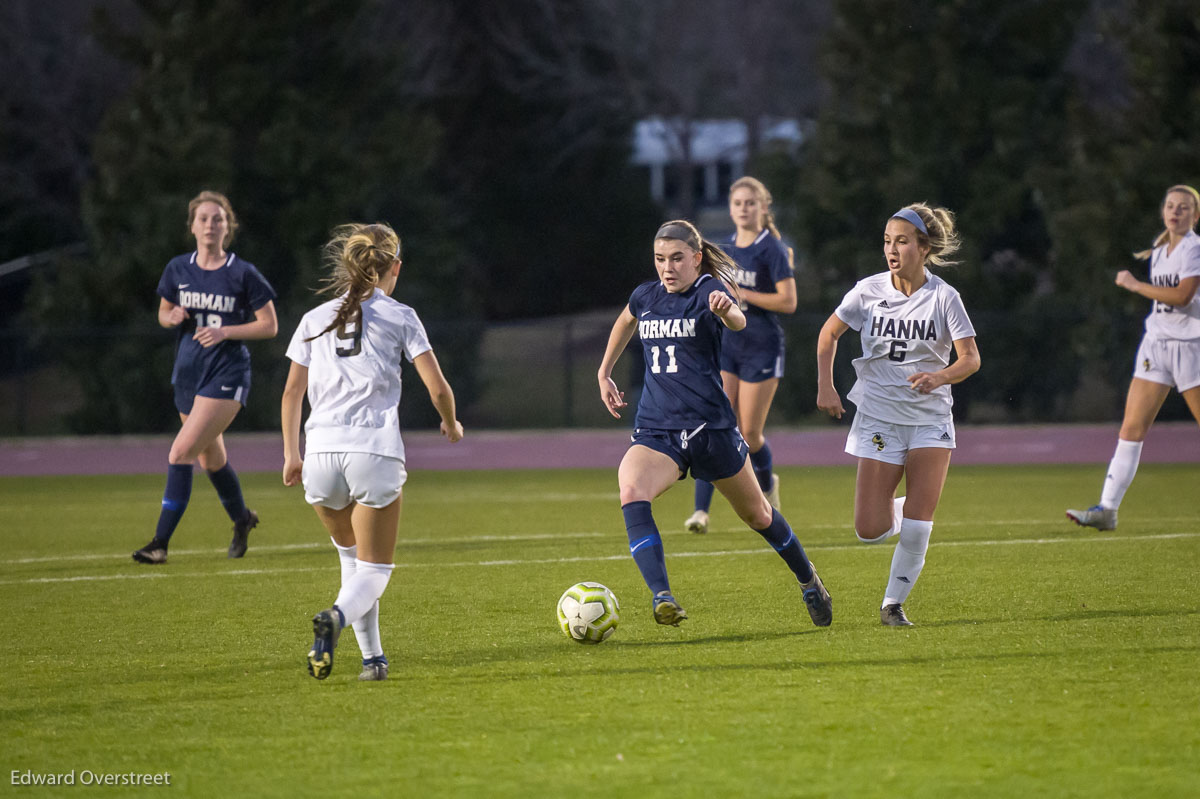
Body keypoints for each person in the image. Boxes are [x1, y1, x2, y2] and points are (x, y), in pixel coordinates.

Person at [598, 219, 832, 628]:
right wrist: (604, 371)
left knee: (759, 515)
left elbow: (736, 320)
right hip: (658, 430)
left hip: (712, 431)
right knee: (632, 489)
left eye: (676, 259)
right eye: (659, 259)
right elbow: (625, 321)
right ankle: (662, 596)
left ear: (696, 259)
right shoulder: (646, 296)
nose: (667, 268)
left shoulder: (708, 291)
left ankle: (808, 578)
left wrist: (729, 312)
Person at [281, 222, 463, 681]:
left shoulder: (314, 318)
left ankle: (373, 660)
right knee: (375, 570)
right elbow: (437, 386)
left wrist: (291, 454)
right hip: (372, 451)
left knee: (351, 561)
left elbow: (291, 394)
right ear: (394, 267)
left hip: (319, 454)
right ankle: (335, 620)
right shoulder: (401, 315)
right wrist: (450, 422)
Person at [816, 204, 980, 626]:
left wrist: (940, 376)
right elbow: (828, 334)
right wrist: (825, 385)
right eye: (888, 240)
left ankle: (892, 605)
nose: (891, 248)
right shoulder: (867, 291)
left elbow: (970, 360)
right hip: (878, 419)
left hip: (929, 420)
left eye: (902, 241)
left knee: (918, 526)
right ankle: (910, 506)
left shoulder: (945, 297)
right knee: (868, 529)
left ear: (923, 247)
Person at [132, 190, 278, 565]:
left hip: (227, 374)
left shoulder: (243, 273)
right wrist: (172, 318)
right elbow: (163, 313)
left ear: (228, 227)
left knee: (180, 452)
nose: (211, 224)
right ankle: (242, 519)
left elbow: (270, 326)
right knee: (211, 459)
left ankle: (159, 543)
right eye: (204, 219)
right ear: (192, 226)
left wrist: (226, 332)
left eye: (218, 218)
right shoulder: (178, 268)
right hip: (188, 372)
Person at [1067, 184, 1200, 530]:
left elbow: (1184, 296)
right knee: (1131, 428)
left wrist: (1134, 285)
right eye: (1171, 205)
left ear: (1195, 216)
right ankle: (1107, 510)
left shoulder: (1193, 248)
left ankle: (1107, 510)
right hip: (1156, 343)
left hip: (1190, 345)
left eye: (1184, 207)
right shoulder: (1159, 250)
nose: (1175, 211)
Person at [685, 177, 797, 535]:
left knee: (749, 434)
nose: (744, 209)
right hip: (727, 347)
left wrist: (744, 295)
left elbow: (788, 301)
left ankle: (767, 487)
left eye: (751, 203)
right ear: (731, 209)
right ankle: (701, 511)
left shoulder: (772, 249)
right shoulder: (725, 247)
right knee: (717, 424)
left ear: (764, 207)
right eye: (738, 203)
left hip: (761, 347)